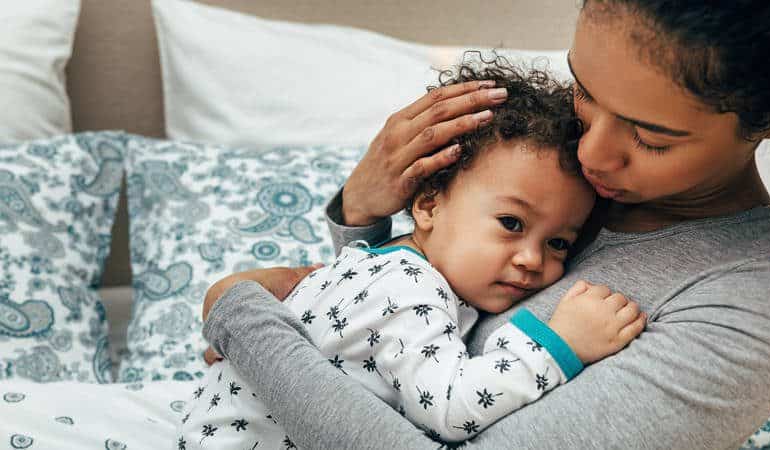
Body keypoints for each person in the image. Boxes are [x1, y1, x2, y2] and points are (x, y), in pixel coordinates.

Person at [201, 1, 770, 448]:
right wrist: (360, 217)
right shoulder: (556, 166)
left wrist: (242, 316)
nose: (591, 153)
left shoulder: (759, 311)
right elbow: (390, 331)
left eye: (649, 137)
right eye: (584, 92)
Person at [178, 62, 646, 448]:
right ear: (427, 204)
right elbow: (449, 408)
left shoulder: (372, 261)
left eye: (558, 243)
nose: (531, 259)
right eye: (511, 223)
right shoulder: (411, 289)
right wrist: (559, 342)